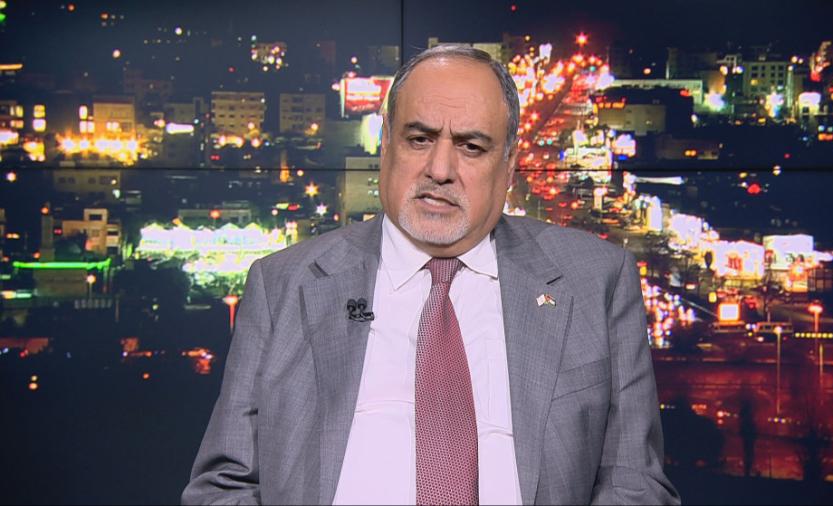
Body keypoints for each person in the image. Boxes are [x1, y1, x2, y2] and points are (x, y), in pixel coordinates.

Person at [183, 45, 679, 505]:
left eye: (471, 146)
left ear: (509, 165)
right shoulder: (283, 284)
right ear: (386, 146)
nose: (439, 169)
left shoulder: (596, 279)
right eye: (419, 139)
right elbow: (223, 486)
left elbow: (635, 485)